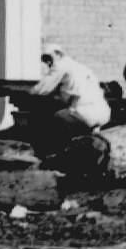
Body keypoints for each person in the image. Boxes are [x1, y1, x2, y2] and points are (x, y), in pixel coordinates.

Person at [27, 42, 111, 178]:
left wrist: (25, 92)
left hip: (85, 112)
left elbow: (41, 89)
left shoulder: (61, 66)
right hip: (102, 112)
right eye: (44, 59)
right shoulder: (81, 67)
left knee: (52, 119)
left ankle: (52, 158)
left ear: (58, 55)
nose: (47, 62)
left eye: (49, 58)